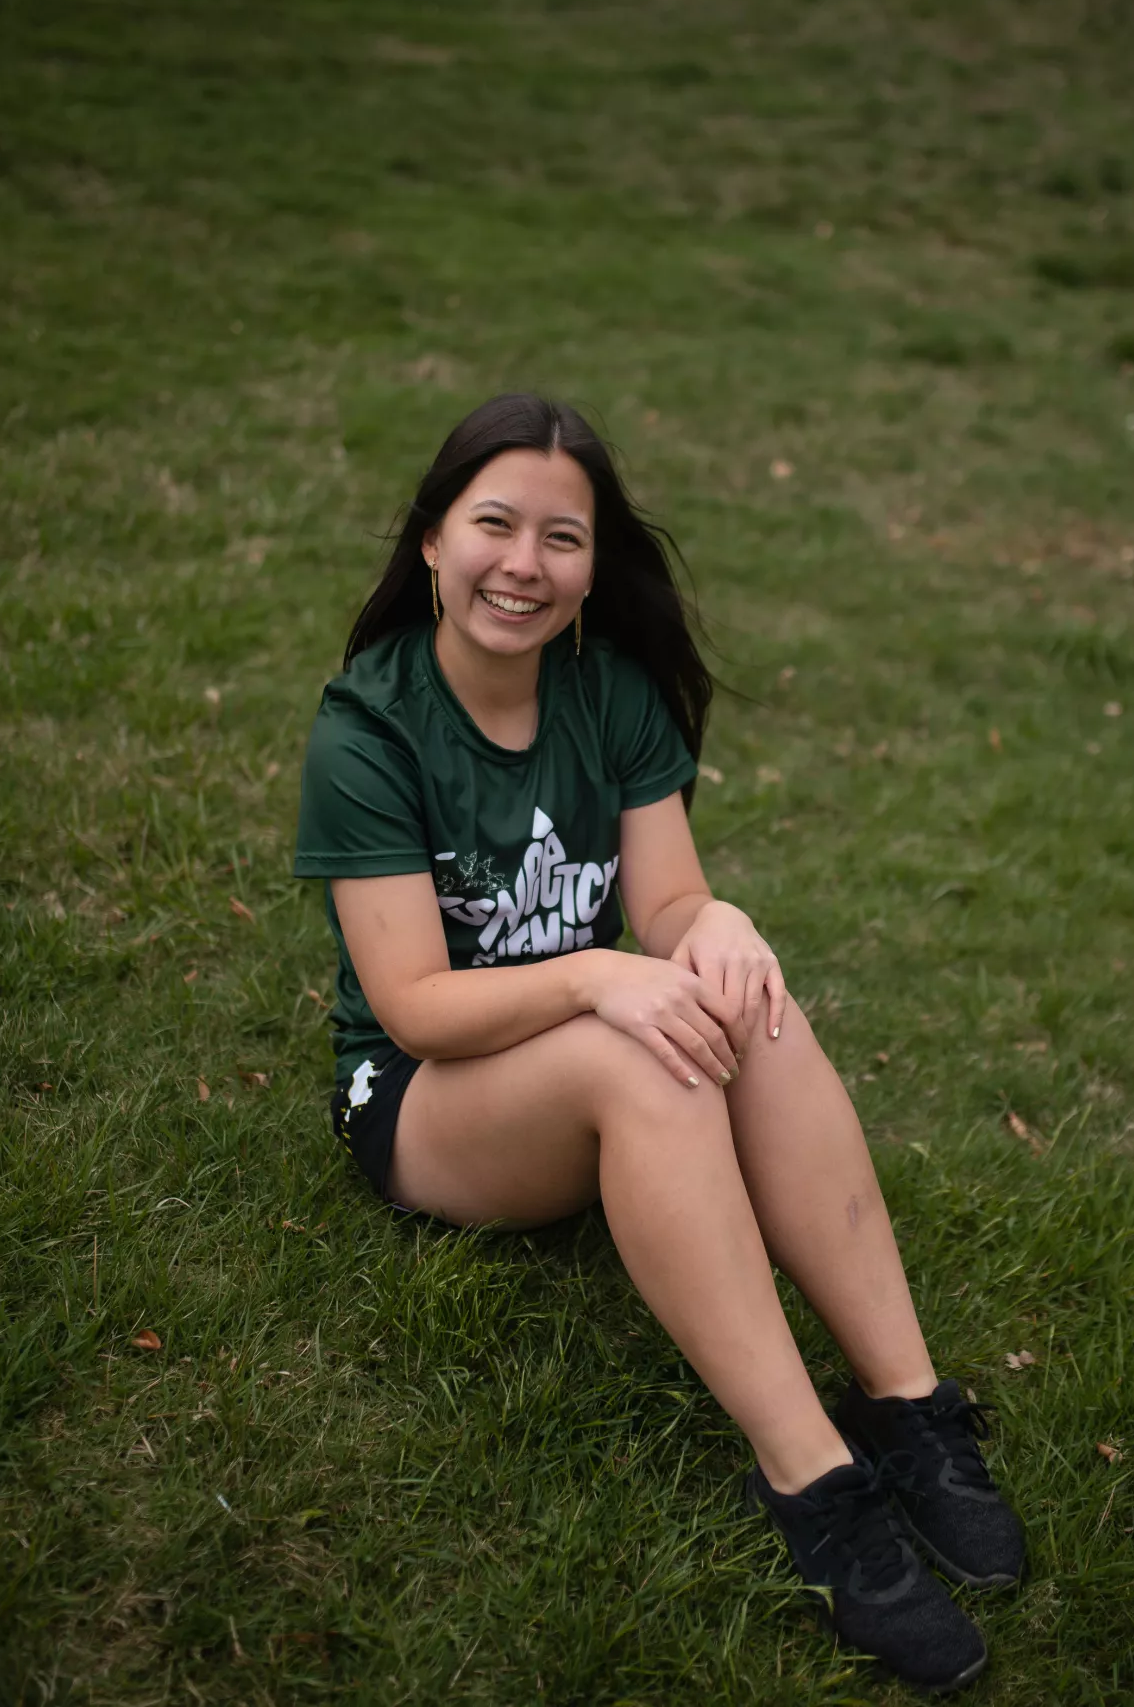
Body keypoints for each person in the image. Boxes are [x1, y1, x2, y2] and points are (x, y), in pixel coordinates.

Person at [294, 393, 1024, 1693]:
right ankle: (815, 1478)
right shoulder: (368, 727)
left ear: (594, 561)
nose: (524, 563)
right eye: (494, 524)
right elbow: (410, 1001)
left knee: (743, 998)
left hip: (583, 1059)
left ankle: (909, 1405)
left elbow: (673, 904)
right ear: (429, 541)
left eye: (560, 536)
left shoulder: (611, 692)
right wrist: (597, 976)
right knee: (641, 1044)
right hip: (423, 1097)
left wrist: (715, 924)